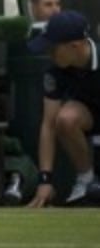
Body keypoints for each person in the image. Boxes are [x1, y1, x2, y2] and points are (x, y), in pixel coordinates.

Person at [26, 11, 100, 207]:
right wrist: (45, 181)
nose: (48, 53)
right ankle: (87, 180)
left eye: (53, 48)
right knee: (66, 119)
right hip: (90, 116)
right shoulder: (54, 73)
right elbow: (49, 125)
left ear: (75, 46)